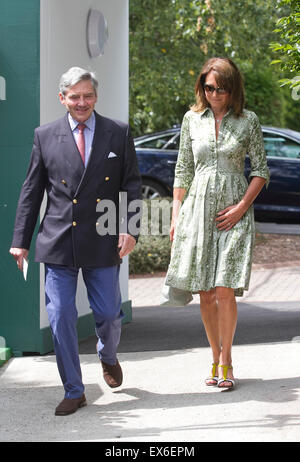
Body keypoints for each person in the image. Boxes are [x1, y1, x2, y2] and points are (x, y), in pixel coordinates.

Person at [9, 67, 142, 415]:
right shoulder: (45, 135)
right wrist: (20, 239)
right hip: (58, 239)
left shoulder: (118, 132)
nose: (81, 102)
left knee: (110, 315)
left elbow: (131, 184)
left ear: (95, 96)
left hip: (103, 236)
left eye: (87, 95)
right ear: (62, 98)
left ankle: (107, 354)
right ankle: (74, 389)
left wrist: (130, 227)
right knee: (61, 314)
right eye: (74, 96)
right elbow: (31, 191)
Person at [162, 57, 269, 389]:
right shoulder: (191, 119)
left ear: (232, 88)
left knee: (225, 289)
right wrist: (176, 215)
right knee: (206, 293)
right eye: (209, 88)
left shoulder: (247, 121)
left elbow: (261, 171)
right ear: (202, 87)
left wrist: (240, 208)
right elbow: (182, 169)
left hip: (234, 210)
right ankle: (213, 355)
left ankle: (227, 361)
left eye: (221, 88)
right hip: (198, 209)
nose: (214, 94)